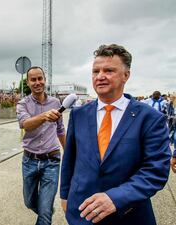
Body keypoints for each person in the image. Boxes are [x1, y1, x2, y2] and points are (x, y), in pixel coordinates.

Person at [60, 44, 170, 225]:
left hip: (129, 216)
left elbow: (155, 170)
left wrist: (115, 198)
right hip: (82, 214)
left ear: (126, 75)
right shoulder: (78, 114)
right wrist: (65, 195)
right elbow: (70, 159)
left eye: (109, 70)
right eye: (96, 71)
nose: (100, 76)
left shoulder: (150, 118)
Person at [16, 66, 66, 225]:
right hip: (29, 160)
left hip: (52, 160)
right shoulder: (22, 104)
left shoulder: (56, 102)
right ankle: (46, 210)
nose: (37, 82)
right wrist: (44, 116)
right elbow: (25, 124)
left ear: (45, 80)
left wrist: (69, 153)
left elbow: (60, 129)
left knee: (44, 214)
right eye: (33, 79)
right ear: (28, 83)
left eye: (40, 78)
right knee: (29, 202)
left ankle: (46, 211)